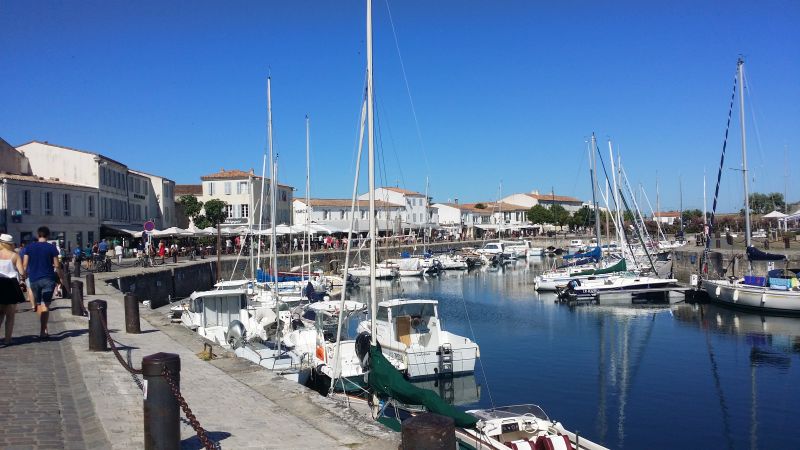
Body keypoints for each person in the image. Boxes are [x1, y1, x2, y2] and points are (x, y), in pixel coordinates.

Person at [23, 226, 63, 339]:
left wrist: (23, 277)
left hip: (34, 279)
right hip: (48, 279)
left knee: (39, 304)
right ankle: (43, 330)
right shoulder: (51, 248)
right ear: (48, 235)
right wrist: (60, 277)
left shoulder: (29, 247)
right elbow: (57, 265)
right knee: (46, 304)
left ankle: (43, 329)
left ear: (38, 235)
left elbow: (25, 265)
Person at [0, 234, 27, 345]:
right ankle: (7, 339)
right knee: (10, 315)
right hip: (11, 285)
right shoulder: (14, 255)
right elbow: (22, 272)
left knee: (0, 314)